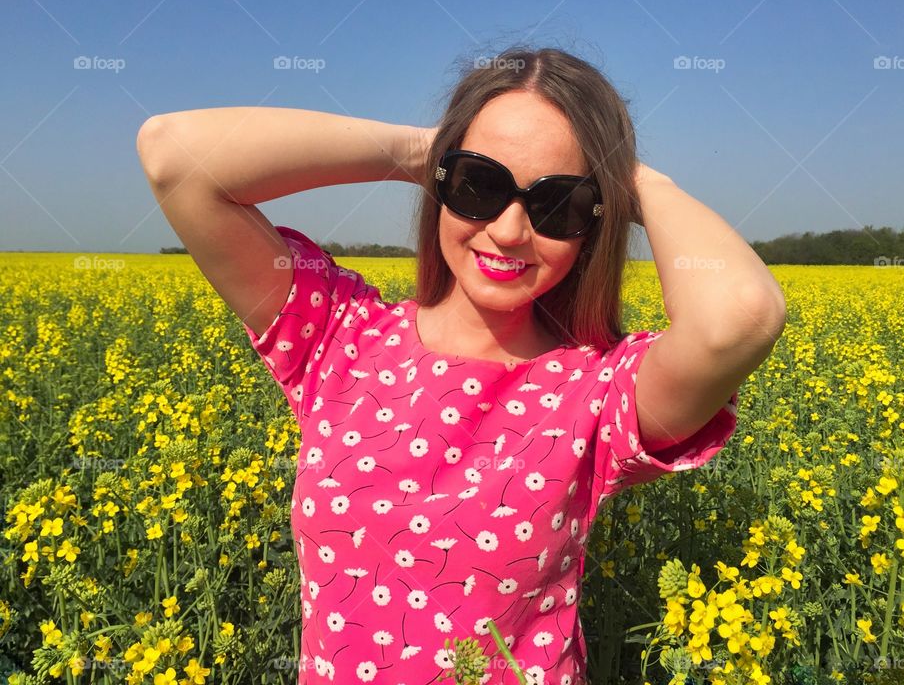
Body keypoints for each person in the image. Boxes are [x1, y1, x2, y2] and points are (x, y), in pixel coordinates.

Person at [137, 47, 786, 685]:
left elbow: (740, 316)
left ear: (595, 224)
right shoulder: (337, 336)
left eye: (558, 205)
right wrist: (427, 150)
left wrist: (638, 180)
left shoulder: (599, 388)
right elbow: (174, 154)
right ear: (441, 184)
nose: (508, 230)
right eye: (479, 184)